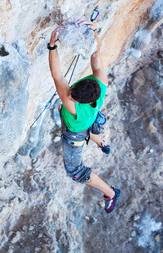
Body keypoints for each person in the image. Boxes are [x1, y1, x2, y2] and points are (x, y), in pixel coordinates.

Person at [48, 19, 120, 213]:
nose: (68, 96)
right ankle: (100, 141)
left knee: (76, 171)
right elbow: (96, 54)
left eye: (71, 96)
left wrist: (52, 45)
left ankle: (111, 193)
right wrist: (93, 31)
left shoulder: (72, 106)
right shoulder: (101, 83)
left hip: (75, 134)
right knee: (91, 121)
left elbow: (57, 76)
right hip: (89, 119)